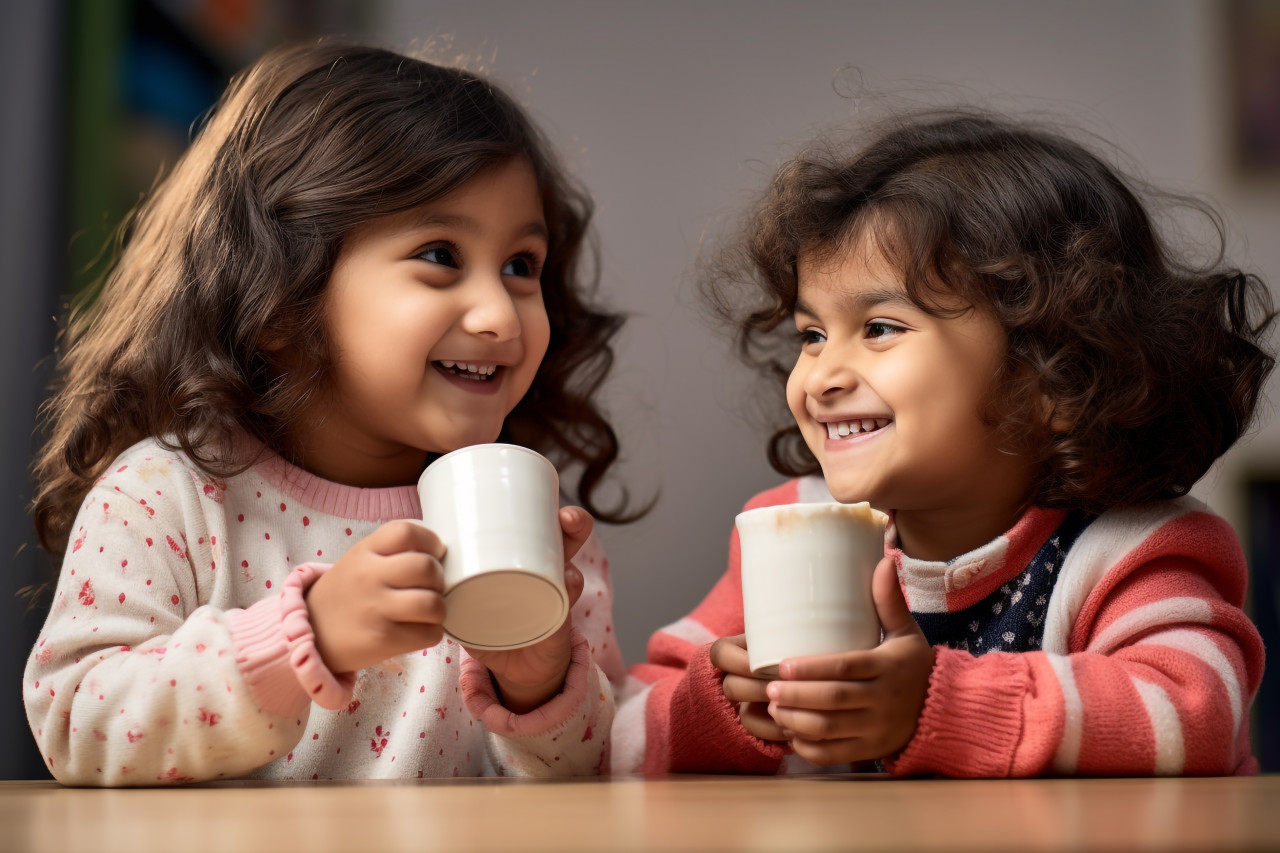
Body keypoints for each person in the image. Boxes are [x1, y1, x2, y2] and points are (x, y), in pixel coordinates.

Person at [25, 41, 638, 785]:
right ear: (282, 295)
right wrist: (299, 637)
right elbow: (75, 724)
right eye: (441, 254)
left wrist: (540, 682)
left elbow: (601, 769)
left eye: (521, 266)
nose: (498, 314)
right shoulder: (164, 496)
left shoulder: (533, 527)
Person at [613, 110, 1273, 777]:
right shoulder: (791, 532)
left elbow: (1194, 716)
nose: (822, 375)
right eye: (811, 334)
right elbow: (627, 729)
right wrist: (722, 709)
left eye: (878, 327)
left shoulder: (1128, 551)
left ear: (1050, 373)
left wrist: (938, 704)